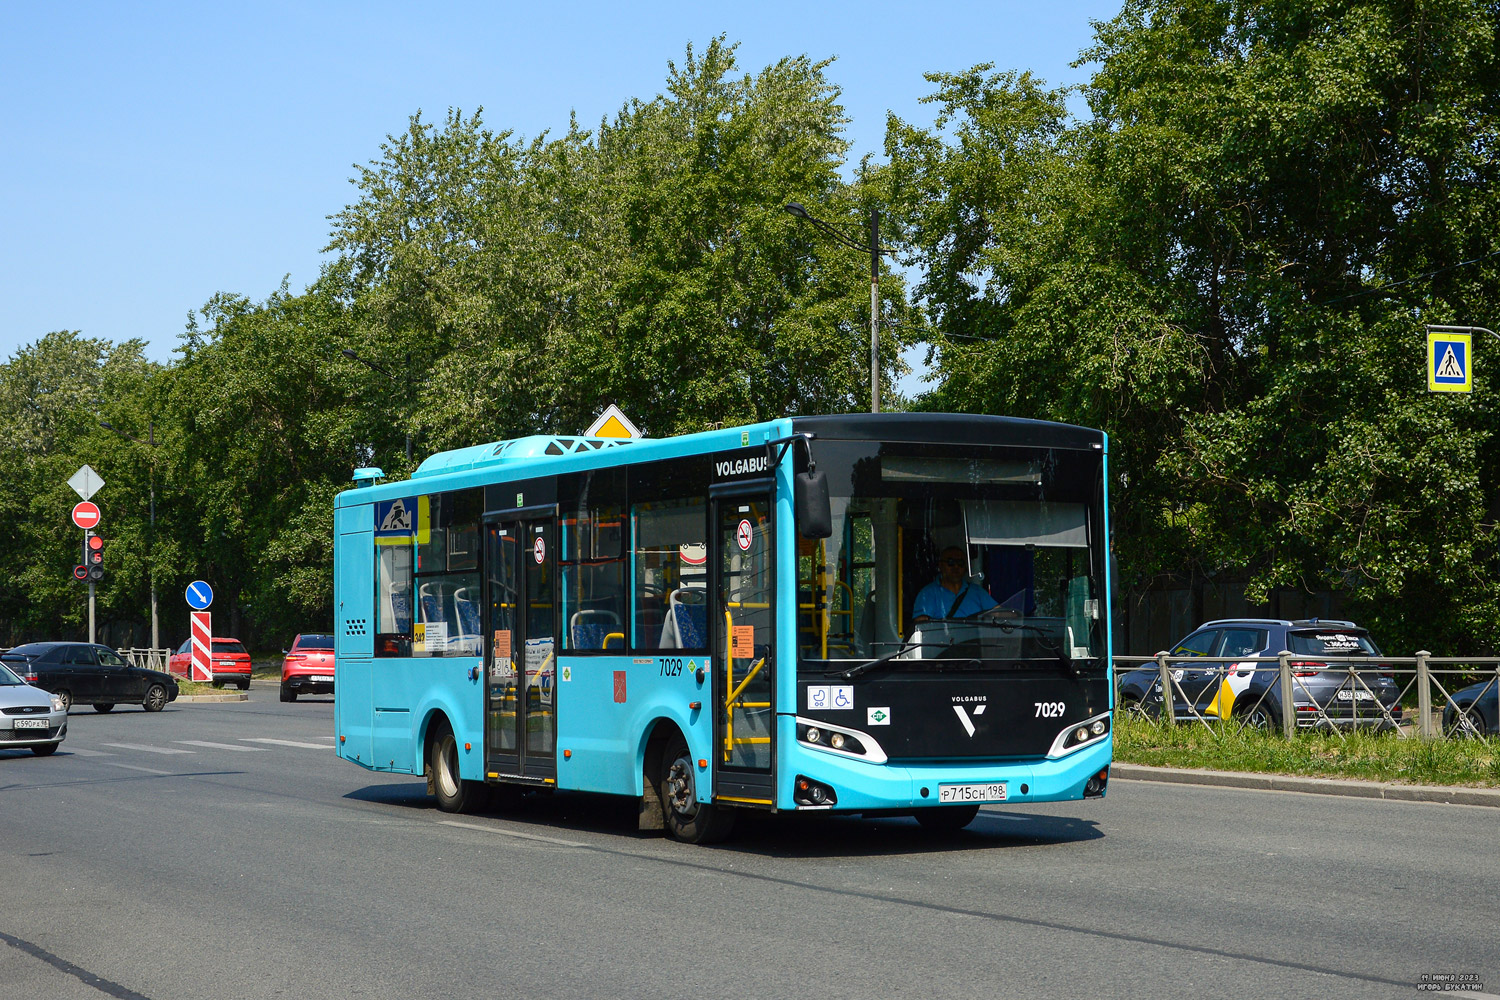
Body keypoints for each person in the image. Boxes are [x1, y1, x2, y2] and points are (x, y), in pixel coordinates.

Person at [912, 546, 999, 622]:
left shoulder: (977, 592)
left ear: (965, 568)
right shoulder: (927, 594)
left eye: (960, 563)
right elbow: (921, 625)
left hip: (974, 640)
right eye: (951, 562)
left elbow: (998, 613)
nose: (956, 567)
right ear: (940, 565)